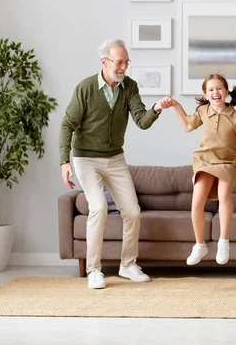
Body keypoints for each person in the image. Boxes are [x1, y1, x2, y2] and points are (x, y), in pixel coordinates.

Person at [59, 38, 172, 289]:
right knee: (98, 207)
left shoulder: (129, 87)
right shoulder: (86, 88)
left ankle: (128, 265)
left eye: (126, 62)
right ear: (104, 62)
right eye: (119, 62)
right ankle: (94, 270)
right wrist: (64, 161)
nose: (123, 67)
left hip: (115, 158)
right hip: (86, 158)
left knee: (132, 211)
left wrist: (156, 108)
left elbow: (141, 121)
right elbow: (68, 124)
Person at [171, 74, 236, 266]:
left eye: (219, 88)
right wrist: (176, 106)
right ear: (205, 94)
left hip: (228, 162)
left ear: (227, 92)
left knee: (224, 193)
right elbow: (187, 125)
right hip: (205, 160)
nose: (215, 92)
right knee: (196, 202)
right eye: (210, 89)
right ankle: (199, 244)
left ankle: (223, 241)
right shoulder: (203, 111)